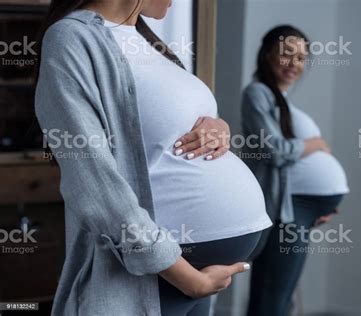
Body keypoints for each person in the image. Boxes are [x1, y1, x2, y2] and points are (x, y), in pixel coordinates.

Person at [35, 0, 272, 315]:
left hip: (195, 276)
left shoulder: (147, 41)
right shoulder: (71, 38)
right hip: (161, 275)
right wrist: (186, 278)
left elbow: (163, 130)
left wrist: (219, 125)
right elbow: (92, 180)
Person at [241, 25, 349, 316]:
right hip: (285, 211)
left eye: (301, 58)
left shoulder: (282, 101)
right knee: (272, 298)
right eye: (287, 54)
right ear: (267, 55)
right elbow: (274, 150)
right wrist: (313, 143)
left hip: (299, 210)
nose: (295, 64)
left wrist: (319, 205)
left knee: (280, 295)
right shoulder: (257, 93)